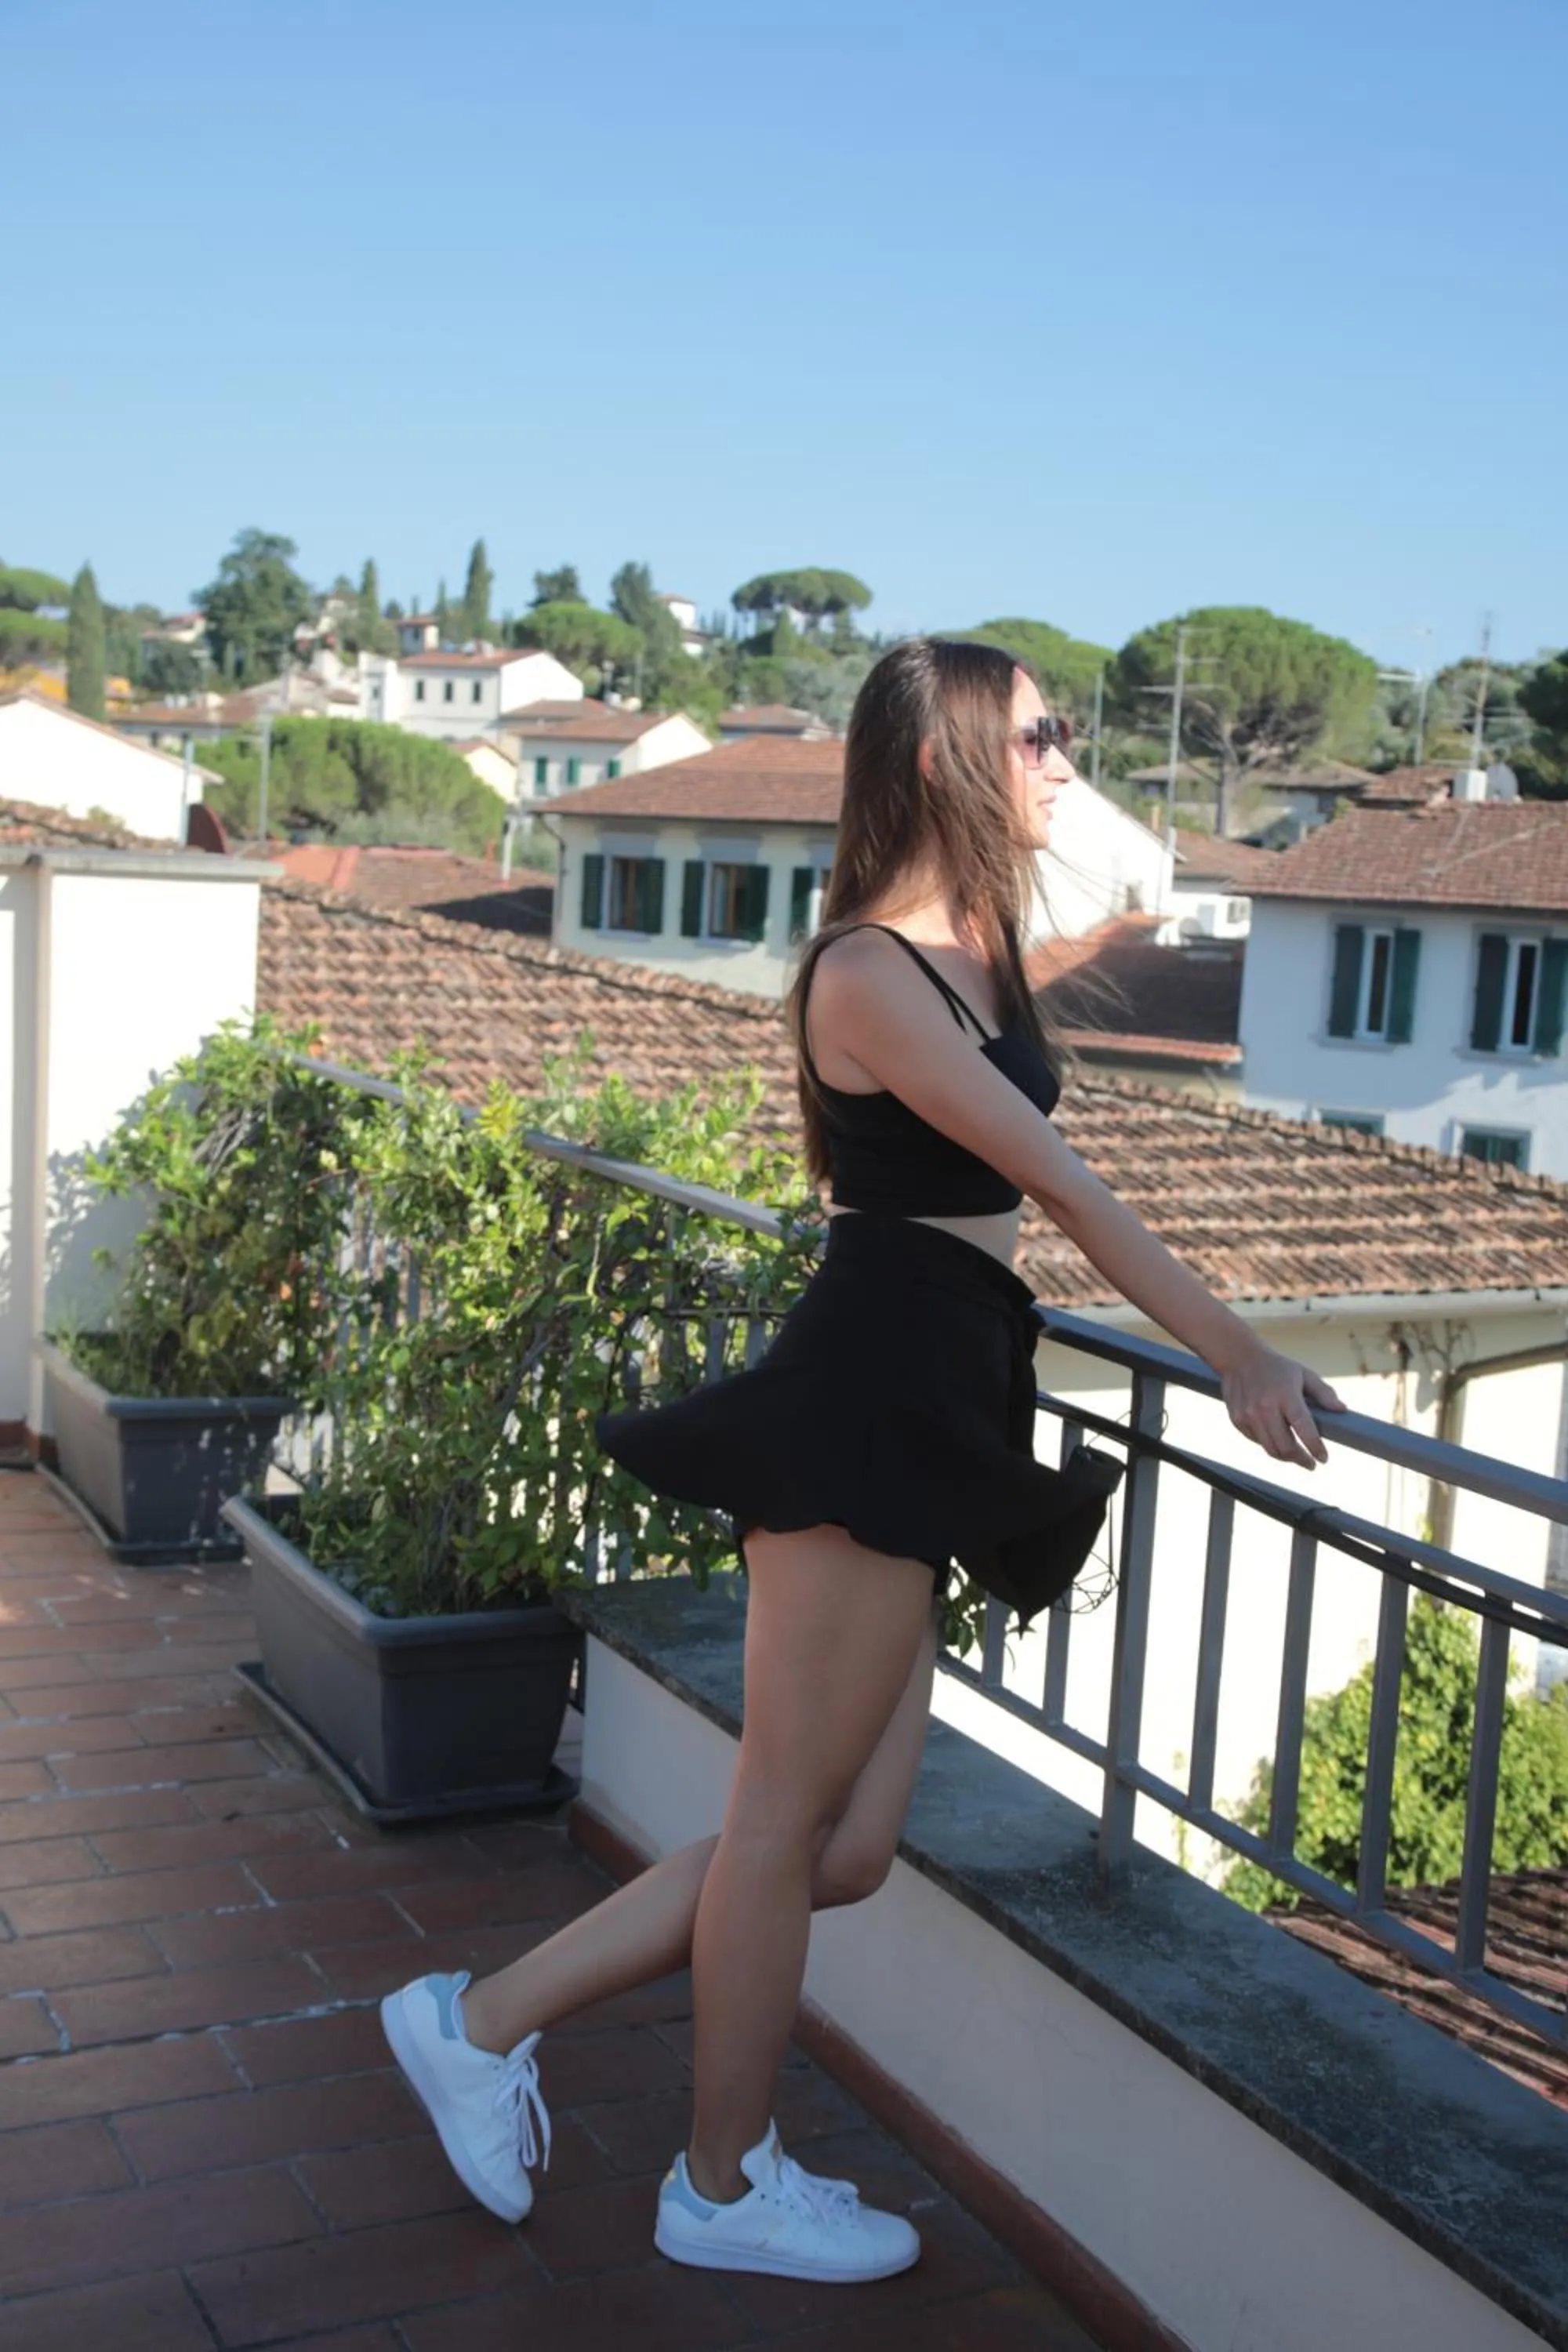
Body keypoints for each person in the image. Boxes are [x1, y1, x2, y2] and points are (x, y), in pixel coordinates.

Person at [379, 637, 1345, 2287]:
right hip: (867, 1395)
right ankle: (721, 2182)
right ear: (954, 758)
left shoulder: (977, 952)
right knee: (778, 1827)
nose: (1064, 759)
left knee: (837, 1846)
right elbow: (1067, 1189)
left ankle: (477, 2020)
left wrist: (1061, 809)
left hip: (939, 1390)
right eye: (1039, 734)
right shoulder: (870, 974)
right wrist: (1235, 1350)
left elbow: (1106, 892)